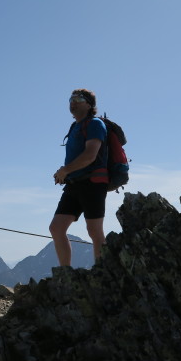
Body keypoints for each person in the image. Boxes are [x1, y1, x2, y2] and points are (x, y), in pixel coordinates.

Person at [49, 89, 108, 267]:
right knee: (56, 228)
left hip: (93, 183)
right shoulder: (76, 126)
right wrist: (64, 173)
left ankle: (103, 272)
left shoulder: (95, 124)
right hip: (74, 184)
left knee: (94, 231)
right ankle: (66, 273)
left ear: (89, 104)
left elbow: (90, 155)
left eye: (78, 99)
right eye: (71, 99)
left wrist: (65, 170)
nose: (73, 102)